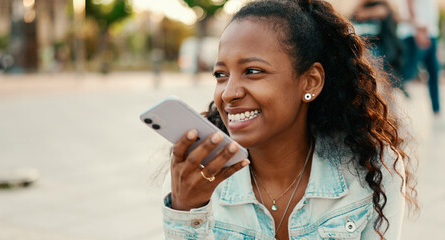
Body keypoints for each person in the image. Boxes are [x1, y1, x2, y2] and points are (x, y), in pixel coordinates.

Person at [161, 0, 417, 239]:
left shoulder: (373, 168)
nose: (229, 93)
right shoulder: (193, 177)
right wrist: (186, 212)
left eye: (252, 71)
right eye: (220, 74)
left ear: (311, 81)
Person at [351, 0, 405, 95]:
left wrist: (366, 12)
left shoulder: (382, 6)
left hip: (380, 49)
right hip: (366, 47)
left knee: (378, 80)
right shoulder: (362, 7)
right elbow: (357, 15)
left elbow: (381, 11)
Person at [397, 0, 441, 115]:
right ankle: (389, 107)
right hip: (415, 34)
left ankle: (436, 111)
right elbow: (409, 3)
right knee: (407, 73)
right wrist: (418, 30)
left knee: (433, 71)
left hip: (429, 33)